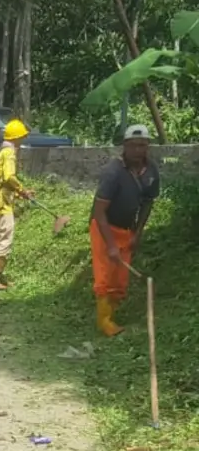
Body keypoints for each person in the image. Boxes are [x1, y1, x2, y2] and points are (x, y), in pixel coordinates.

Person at [90, 124, 159, 337]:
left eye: (143, 145)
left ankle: (112, 312)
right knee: (105, 275)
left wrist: (138, 232)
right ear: (125, 147)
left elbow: (148, 203)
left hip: (126, 229)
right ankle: (105, 321)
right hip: (104, 227)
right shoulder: (113, 172)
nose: (139, 150)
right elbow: (100, 211)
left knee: (121, 278)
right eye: (134, 146)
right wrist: (110, 244)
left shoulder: (151, 171)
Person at [0, 119, 34, 291]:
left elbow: (2, 182)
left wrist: (19, 194)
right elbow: (9, 177)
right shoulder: (9, 153)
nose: (23, 141)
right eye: (22, 137)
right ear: (17, 137)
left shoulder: (1, 152)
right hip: (2, 205)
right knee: (5, 241)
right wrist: (23, 189)